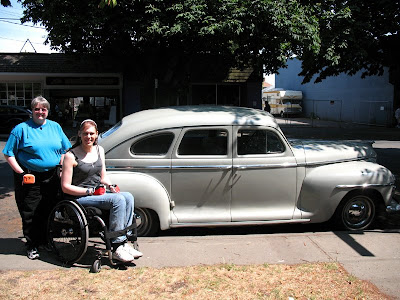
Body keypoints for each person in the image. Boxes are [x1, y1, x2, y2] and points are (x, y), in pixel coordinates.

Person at [61, 119, 143, 262]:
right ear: (79, 134)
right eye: (85, 133)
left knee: (128, 196)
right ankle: (117, 244)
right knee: (117, 200)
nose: (89, 137)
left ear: (97, 134)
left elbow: (103, 177)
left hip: (98, 193)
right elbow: (65, 187)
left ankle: (125, 242)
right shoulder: (70, 156)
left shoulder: (100, 150)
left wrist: (111, 186)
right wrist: (89, 191)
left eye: (92, 133)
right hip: (80, 197)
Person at [3, 96, 71, 260]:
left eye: (44, 109)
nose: (40, 112)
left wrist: (61, 166)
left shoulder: (55, 127)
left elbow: (65, 149)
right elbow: (8, 153)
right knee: (31, 211)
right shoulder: (21, 129)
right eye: (37, 109)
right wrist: (21, 172)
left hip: (52, 175)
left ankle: (46, 241)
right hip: (30, 176)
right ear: (32, 111)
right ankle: (32, 245)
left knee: (48, 209)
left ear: (47, 111)